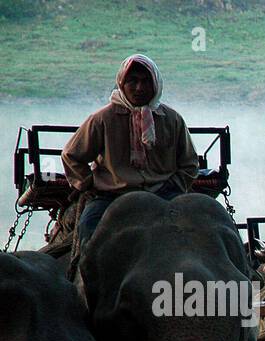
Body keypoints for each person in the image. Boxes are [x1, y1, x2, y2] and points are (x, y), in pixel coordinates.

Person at [61, 54, 199, 246]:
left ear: (156, 84)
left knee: (200, 233)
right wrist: (91, 184)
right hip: (111, 196)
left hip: (164, 194)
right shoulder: (103, 119)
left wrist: (172, 186)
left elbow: (189, 163)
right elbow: (72, 155)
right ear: (121, 83)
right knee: (89, 230)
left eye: (145, 81)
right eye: (132, 81)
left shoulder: (172, 120)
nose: (139, 88)